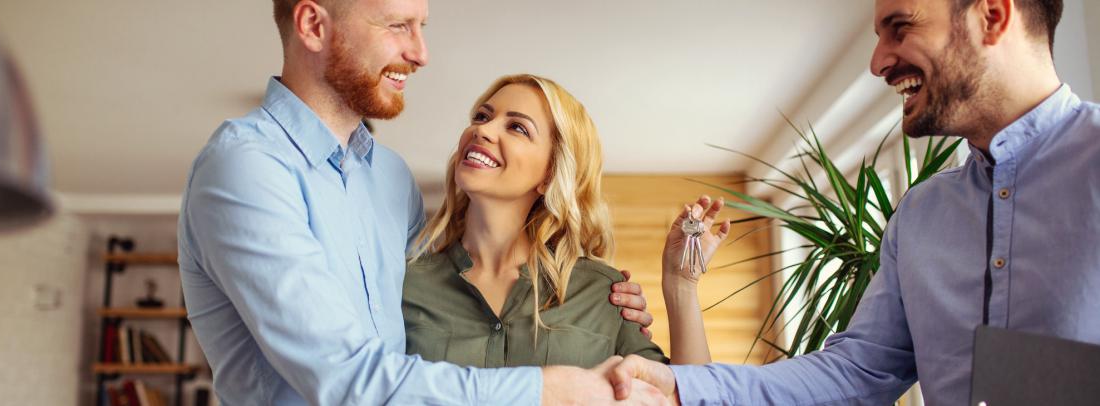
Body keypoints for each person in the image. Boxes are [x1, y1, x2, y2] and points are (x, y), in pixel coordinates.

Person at [608, 0, 1100, 405]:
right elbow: (856, 371)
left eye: (899, 27)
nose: (878, 61)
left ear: (992, 16)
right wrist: (684, 386)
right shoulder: (920, 216)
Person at [176, 0, 661, 404]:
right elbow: (346, 379)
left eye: (421, 27)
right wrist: (550, 389)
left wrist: (612, 299)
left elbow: (429, 307)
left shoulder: (389, 177)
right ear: (313, 25)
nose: (421, 52)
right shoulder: (245, 167)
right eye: (397, 27)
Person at [403, 74, 732, 368]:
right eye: (482, 116)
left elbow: (683, 397)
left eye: (517, 127)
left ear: (550, 174)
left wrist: (681, 284)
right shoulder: (404, 283)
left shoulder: (602, 291)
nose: (482, 129)